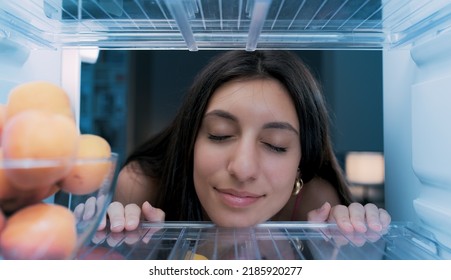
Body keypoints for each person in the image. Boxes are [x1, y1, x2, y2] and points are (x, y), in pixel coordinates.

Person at [100, 50, 391, 234]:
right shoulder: (143, 185)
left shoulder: (315, 203)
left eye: (276, 144)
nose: (242, 167)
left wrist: (350, 250)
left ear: (302, 162)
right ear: (190, 140)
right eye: (220, 135)